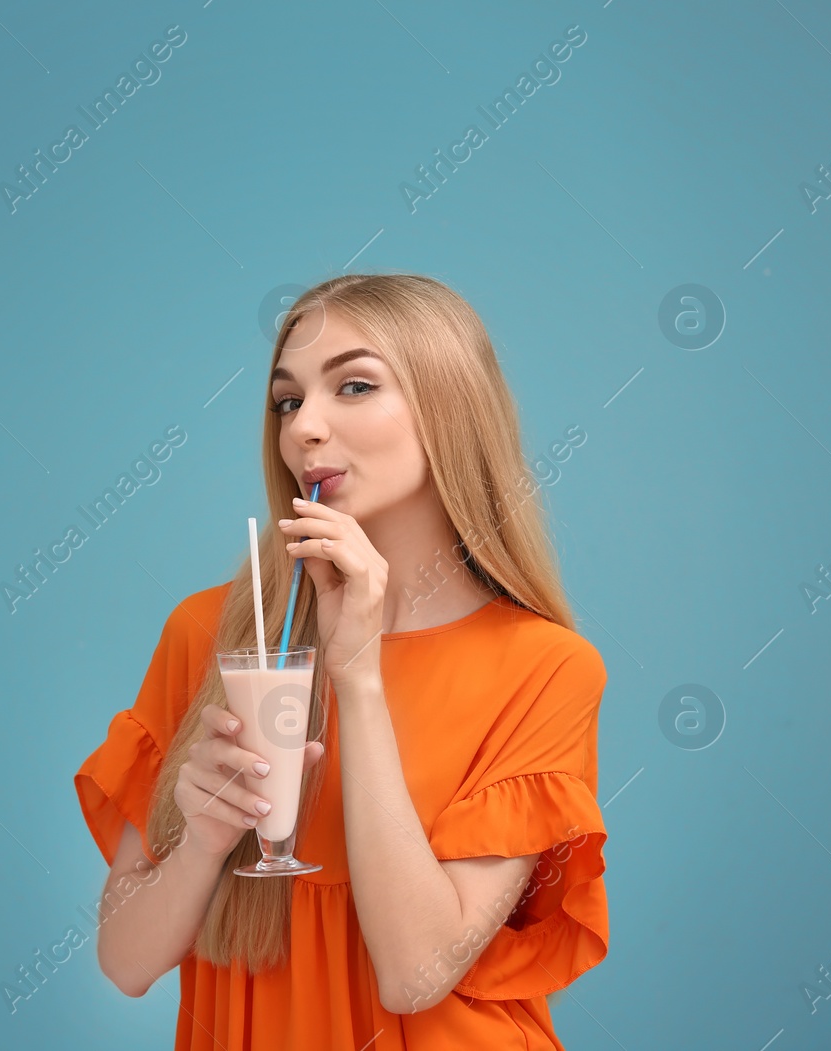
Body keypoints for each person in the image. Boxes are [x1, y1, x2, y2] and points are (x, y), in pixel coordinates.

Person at [73, 273, 610, 1049]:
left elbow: (415, 974)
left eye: (354, 385)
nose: (303, 430)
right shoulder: (208, 634)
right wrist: (202, 842)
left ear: (449, 407)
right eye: (287, 401)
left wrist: (356, 673)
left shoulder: (544, 668)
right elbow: (124, 962)